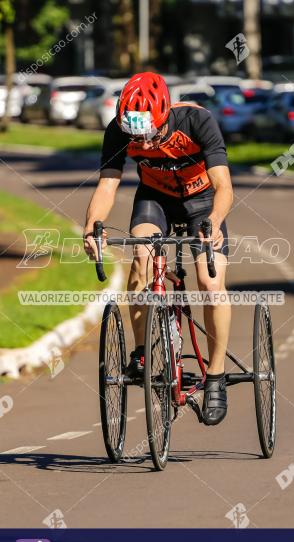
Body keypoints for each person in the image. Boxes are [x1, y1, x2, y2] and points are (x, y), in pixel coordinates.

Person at [83, 72, 234, 425]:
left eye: (150, 135)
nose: (145, 146)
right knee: (142, 257)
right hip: (156, 200)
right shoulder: (118, 129)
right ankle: (140, 353)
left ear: (164, 115)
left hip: (203, 202)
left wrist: (213, 222)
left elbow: (224, 186)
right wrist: (91, 227)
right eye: (138, 138)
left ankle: (215, 374)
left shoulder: (197, 120)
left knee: (210, 283)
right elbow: (107, 186)